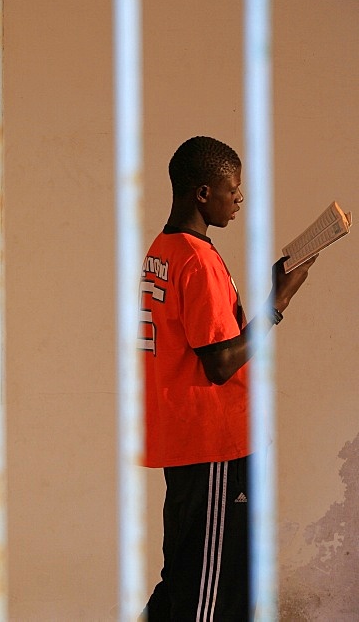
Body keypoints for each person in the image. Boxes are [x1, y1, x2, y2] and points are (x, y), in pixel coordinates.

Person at [139, 136, 317, 620]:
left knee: (182, 580)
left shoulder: (166, 248)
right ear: (202, 193)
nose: (239, 198)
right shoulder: (198, 261)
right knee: (214, 596)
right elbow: (219, 364)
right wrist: (277, 304)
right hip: (214, 445)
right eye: (232, 189)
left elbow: (210, 339)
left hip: (187, 442)